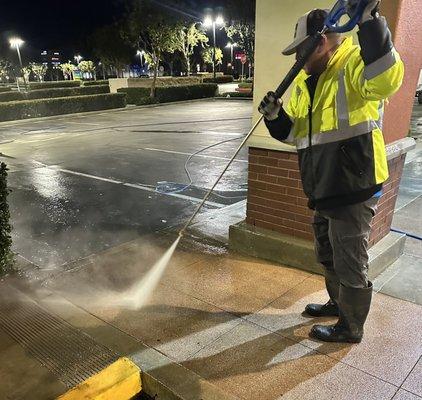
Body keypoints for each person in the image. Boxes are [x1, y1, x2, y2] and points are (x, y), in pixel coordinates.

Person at [258, 1, 404, 343]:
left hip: (354, 187)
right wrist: (275, 116)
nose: (298, 60)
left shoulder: (352, 63)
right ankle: (338, 304)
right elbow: (295, 134)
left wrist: (370, 22)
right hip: (324, 187)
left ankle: (351, 326)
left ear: (320, 42)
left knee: (350, 260)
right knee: (327, 252)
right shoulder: (307, 84)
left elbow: (386, 82)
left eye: (300, 51)